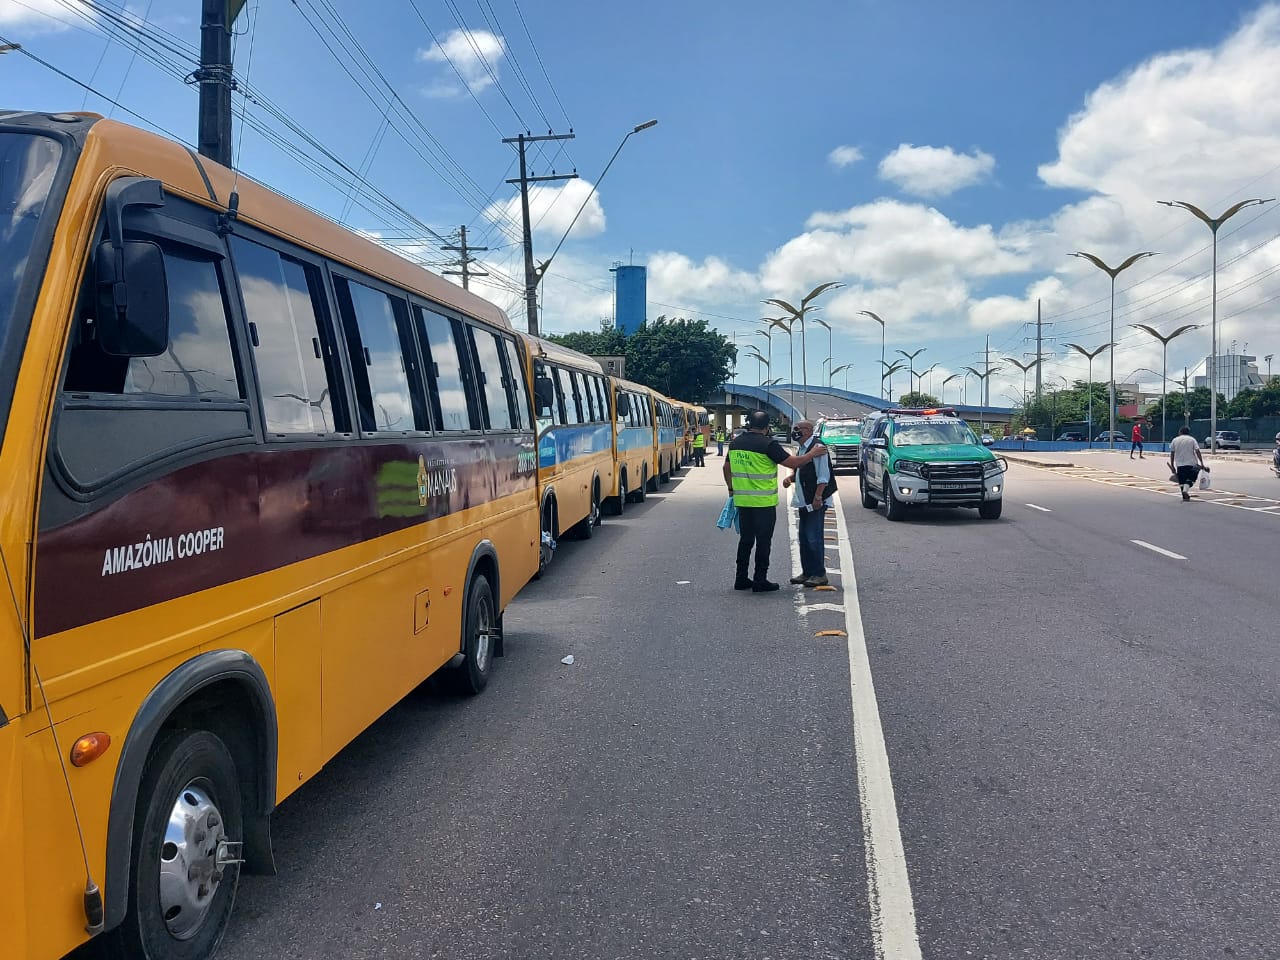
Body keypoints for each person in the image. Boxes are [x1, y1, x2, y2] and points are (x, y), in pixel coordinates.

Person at [724, 410, 827, 592]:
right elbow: (793, 463)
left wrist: (731, 489)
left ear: (749, 424)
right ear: (766, 427)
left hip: (742, 501)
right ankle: (760, 580)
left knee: (746, 540)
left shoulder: (735, 443)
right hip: (763, 503)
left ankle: (740, 578)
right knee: (763, 542)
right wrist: (812, 454)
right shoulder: (768, 444)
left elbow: (726, 467)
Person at [782, 420, 836, 587]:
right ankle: (807, 572)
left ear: (807, 430)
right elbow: (802, 468)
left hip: (815, 500)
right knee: (804, 538)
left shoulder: (818, 448)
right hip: (804, 500)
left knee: (813, 538)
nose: (795, 432)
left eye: (797, 429)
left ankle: (819, 574)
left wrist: (818, 497)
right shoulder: (804, 448)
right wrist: (791, 478)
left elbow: (823, 476)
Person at [1168, 425, 1205, 501]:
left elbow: (1172, 453)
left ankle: (1184, 495)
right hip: (1192, 463)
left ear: (1180, 432)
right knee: (1191, 479)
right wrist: (1201, 462)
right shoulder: (1192, 439)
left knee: (1182, 481)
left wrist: (1172, 465)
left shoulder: (1175, 440)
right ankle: (1186, 491)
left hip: (1180, 464)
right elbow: (1197, 451)